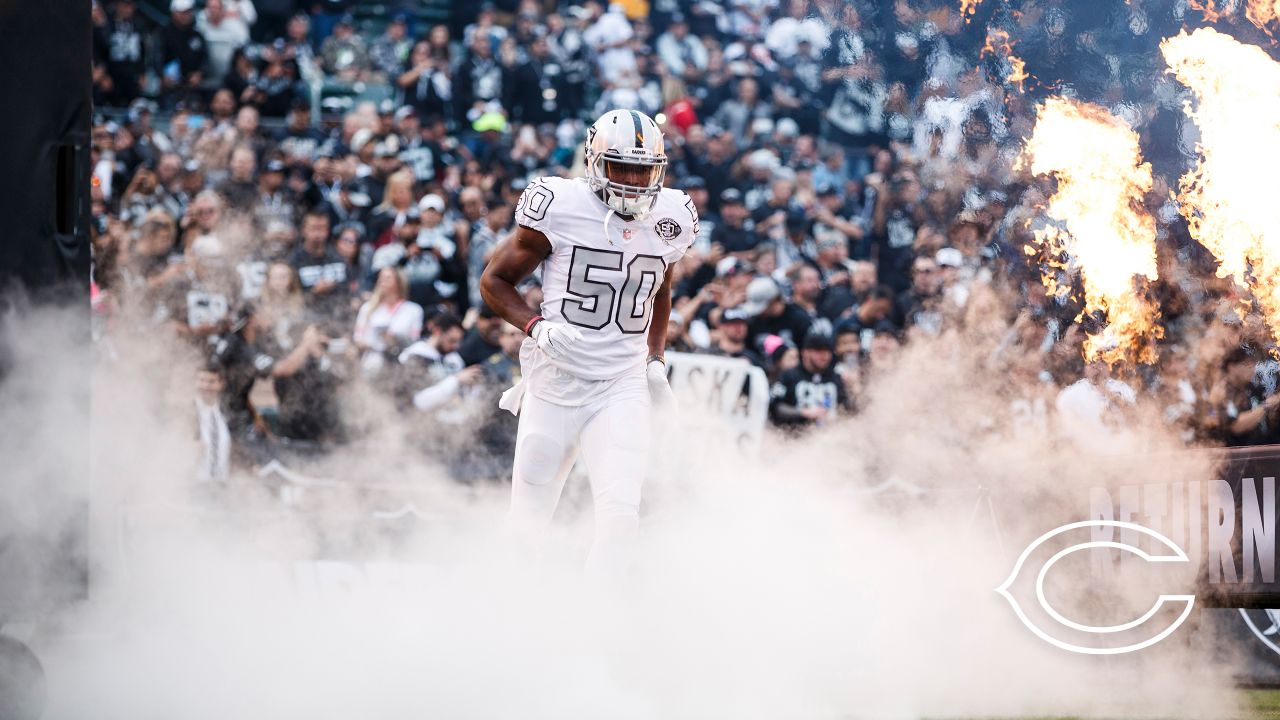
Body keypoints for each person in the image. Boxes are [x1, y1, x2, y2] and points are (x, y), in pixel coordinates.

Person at [480, 108, 697, 577]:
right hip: (555, 379)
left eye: (644, 170)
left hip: (621, 384)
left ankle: (598, 625)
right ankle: (505, 617)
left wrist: (654, 360)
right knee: (528, 521)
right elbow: (494, 281)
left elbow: (660, 285)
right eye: (621, 168)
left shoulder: (671, 215)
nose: (634, 182)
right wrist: (535, 325)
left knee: (622, 521)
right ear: (594, 162)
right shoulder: (560, 204)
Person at [768, 328, 849, 431]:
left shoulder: (835, 377)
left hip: (829, 436)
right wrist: (803, 412)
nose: (824, 356)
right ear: (805, 352)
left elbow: (847, 408)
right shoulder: (790, 375)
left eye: (828, 351)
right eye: (819, 351)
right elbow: (776, 407)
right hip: (795, 437)